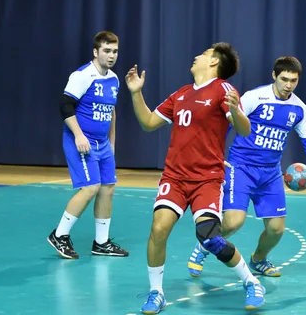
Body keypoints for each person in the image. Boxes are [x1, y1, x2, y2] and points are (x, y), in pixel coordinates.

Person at [125, 43, 266, 314]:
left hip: (206, 178)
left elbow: (245, 130)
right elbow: (148, 123)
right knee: (158, 229)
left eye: (203, 54)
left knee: (209, 237)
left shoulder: (223, 90)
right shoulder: (181, 94)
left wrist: (236, 111)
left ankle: (250, 281)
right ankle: (157, 293)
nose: (196, 56)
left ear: (214, 62)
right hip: (175, 176)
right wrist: (136, 93)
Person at [187, 56, 306, 279]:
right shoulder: (255, 97)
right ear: (274, 76)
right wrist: (216, 154)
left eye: (294, 80)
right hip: (241, 167)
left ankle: (258, 259)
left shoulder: (299, 109)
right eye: (284, 79)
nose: (288, 85)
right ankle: (203, 246)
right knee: (233, 222)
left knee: (276, 230)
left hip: (270, 173)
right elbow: (227, 123)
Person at [47, 31, 129, 259]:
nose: (112, 55)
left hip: (102, 143)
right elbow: (65, 106)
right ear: (96, 52)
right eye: (107, 51)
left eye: (115, 51)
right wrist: (79, 135)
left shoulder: (114, 79)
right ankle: (59, 235)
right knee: (90, 187)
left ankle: (101, 243)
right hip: (81, 141)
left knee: (108, 187)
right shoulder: (82, 76)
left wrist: (112, 142)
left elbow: (112, 111)